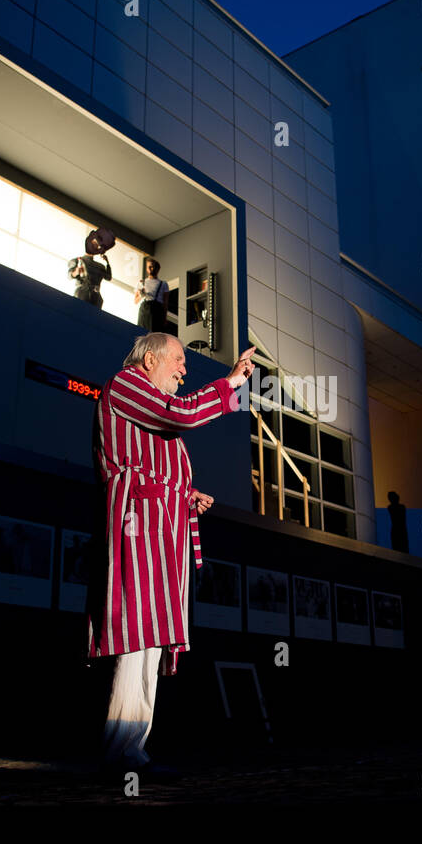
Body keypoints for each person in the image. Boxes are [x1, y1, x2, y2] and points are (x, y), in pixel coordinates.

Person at [86, 332, 255, 776]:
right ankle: (119, 748)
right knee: (137, 634)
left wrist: (186, 495)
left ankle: (132, 747)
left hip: (162, 527)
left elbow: (161, 462)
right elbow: (179, 415)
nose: (184, 369)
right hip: (138, 523)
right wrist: (230, 382)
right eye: (178, 360)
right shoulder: (126, 384)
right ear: (148, 361)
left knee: (153, 639)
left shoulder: (152, 409)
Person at [68, 228, 116, 308]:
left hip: (96, 298)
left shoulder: (100, 266)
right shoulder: (77, 260)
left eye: (98, 245)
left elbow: (108, 277)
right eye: (94, 243)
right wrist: (76, 272)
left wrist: (107, 263)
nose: (95, 246)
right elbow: (69, 275)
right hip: (81, 295)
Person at [133, 257, 170, 332]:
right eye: (148, 267)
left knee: (154, 334)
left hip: (157, 311)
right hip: (144, 309)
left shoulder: (163, 284)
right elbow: (135, 301)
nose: (150, 268)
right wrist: (141, 295)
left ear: (157, 269)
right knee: (142, 333)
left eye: (152, 266)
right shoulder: (141, 282)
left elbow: (165, 303)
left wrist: (164, 318)